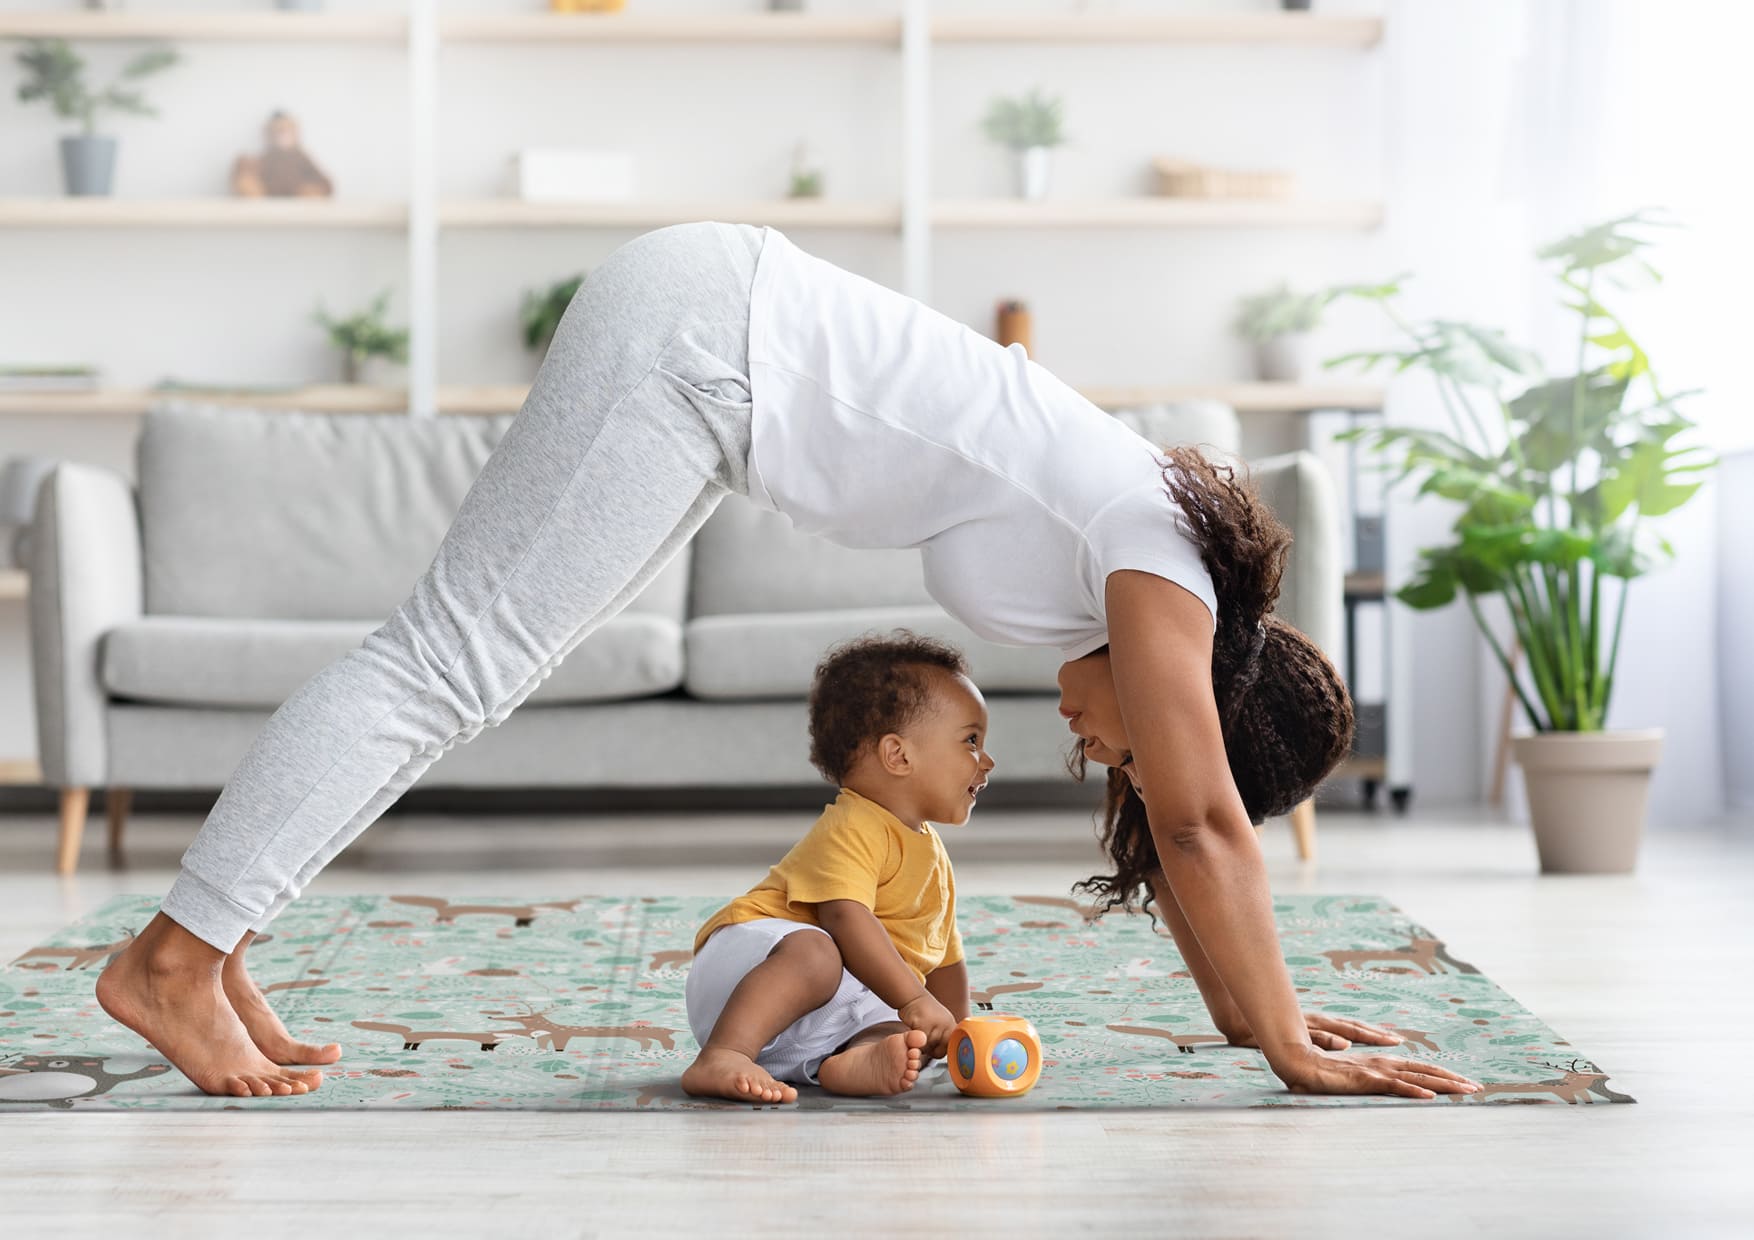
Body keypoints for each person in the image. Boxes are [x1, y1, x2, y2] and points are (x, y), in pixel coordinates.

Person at [96, 220, 1479, 1102]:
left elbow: (1175, 835)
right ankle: (171, 959)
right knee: (445, 666)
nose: (1094, 750)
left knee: (469, 678)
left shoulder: (1137, 579)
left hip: (716, 371)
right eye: (1126, 743)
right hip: (704, 341)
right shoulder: (1160, 560)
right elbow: (1197, 822)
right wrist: (1288, 1046)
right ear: (1205, 700)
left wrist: (1254, 1020)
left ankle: (216, 946)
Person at [681, 633, 988, 1104]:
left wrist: (955, 1032)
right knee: (820, 953)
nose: (987, 761)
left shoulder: (930, 852)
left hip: (806, 1024)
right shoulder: (854, 825)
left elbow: (943, 954)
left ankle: (853, 1061)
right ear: (898, 755)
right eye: (971, 741)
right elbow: (844, 917)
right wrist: (916, 999)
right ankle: (724, 1054)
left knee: (904, 1034)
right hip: (748, 976)